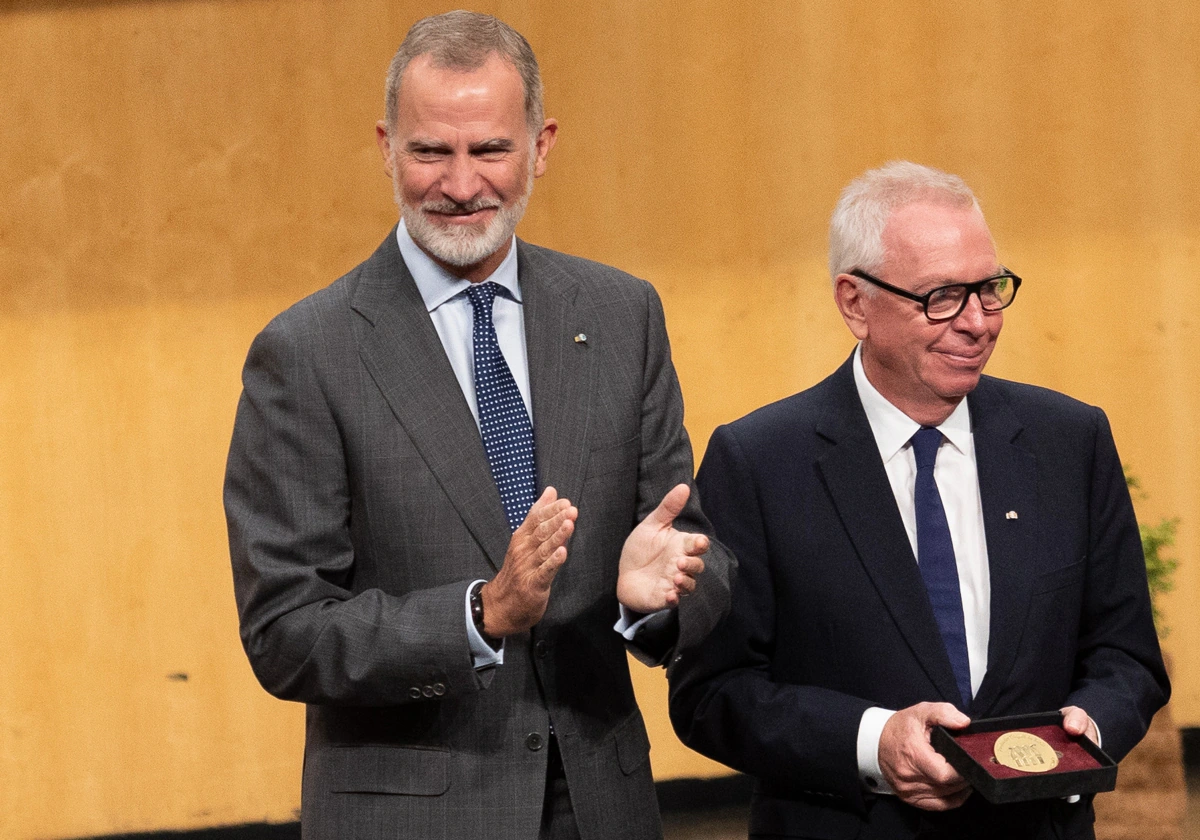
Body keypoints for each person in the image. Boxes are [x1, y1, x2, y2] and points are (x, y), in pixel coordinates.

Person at [224, 11, 733, 840]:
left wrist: (654, 600)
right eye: (431, 152)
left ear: (541, 147)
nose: (461, 185)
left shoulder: (621, 315)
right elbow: (286, 632)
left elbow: (699, 552)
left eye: (490, 149)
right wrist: (479, 614)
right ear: (387, 147)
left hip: (602, 808)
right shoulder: (305, 353)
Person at [668, 161, 1168, 839]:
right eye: (941, 296)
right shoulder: (758, 461)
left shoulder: (1069, 441)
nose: (978, 323)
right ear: (854, 303)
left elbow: (1126, 654)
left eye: (990, 290)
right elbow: (711, 693)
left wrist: (1091, 724)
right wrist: (873, 743)